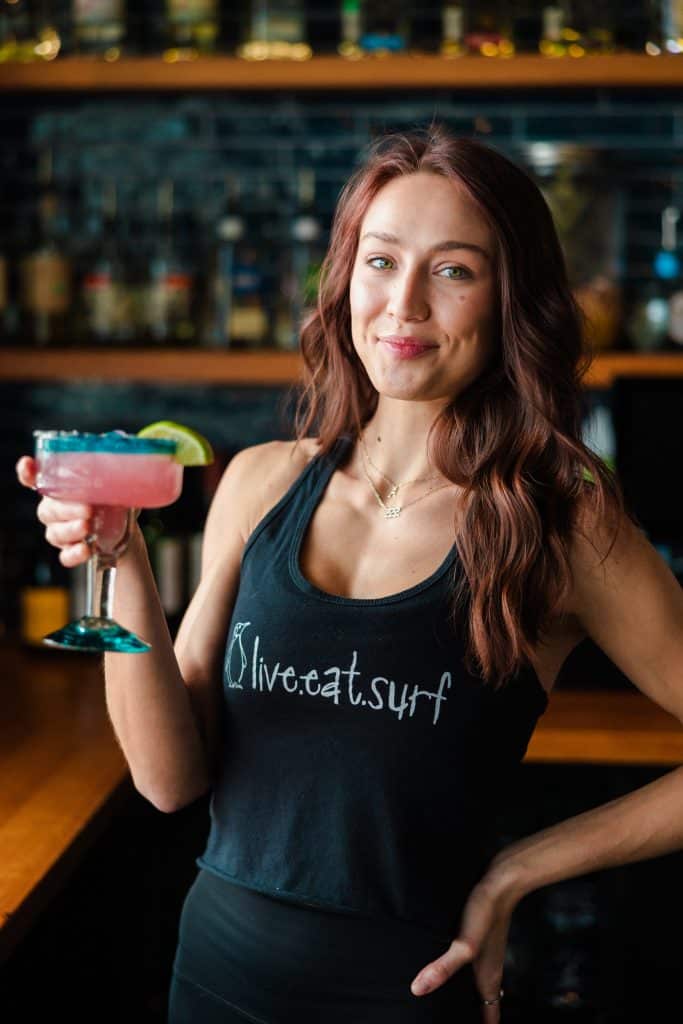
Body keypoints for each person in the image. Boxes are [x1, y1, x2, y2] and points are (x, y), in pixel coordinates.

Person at [16, 125, 683, 1024]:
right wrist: (122, 558)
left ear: (507, 299)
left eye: (453, 270)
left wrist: (520, 868)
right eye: (380, 261)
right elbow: (168, 779)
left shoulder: (559, 514)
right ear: (343, 279)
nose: (402, 303)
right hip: (214, 969)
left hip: (407, 993)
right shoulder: (260, 481)